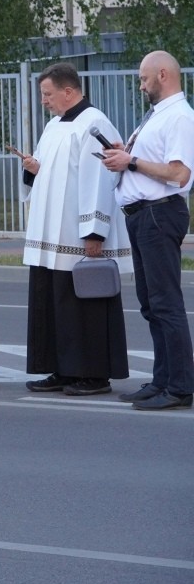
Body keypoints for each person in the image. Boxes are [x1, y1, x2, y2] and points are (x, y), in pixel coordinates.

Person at [18, 62, 132, 396]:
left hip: (76, 234)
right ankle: (63, 368)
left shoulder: (94, 123)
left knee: (85, 304)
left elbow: (100, 178)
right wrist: (34, 168)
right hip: (50, 236)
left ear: (68, 91)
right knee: (55, 303)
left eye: (47, 94)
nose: (44, 101)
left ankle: (94, 374)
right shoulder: (54, 126)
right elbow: (51, 172)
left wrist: (94, 233)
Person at [102, 50, 194, 410]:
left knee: (165, 303)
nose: (141, 85)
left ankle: (181, 385)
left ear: (163, 75)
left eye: (143, 79)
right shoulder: (157, 117)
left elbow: (179, 174)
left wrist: (132, 161)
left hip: (159, 213)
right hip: (142, 215)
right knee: (151, 305)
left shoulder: (181, 118)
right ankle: (162, 379)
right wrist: (122, 155)